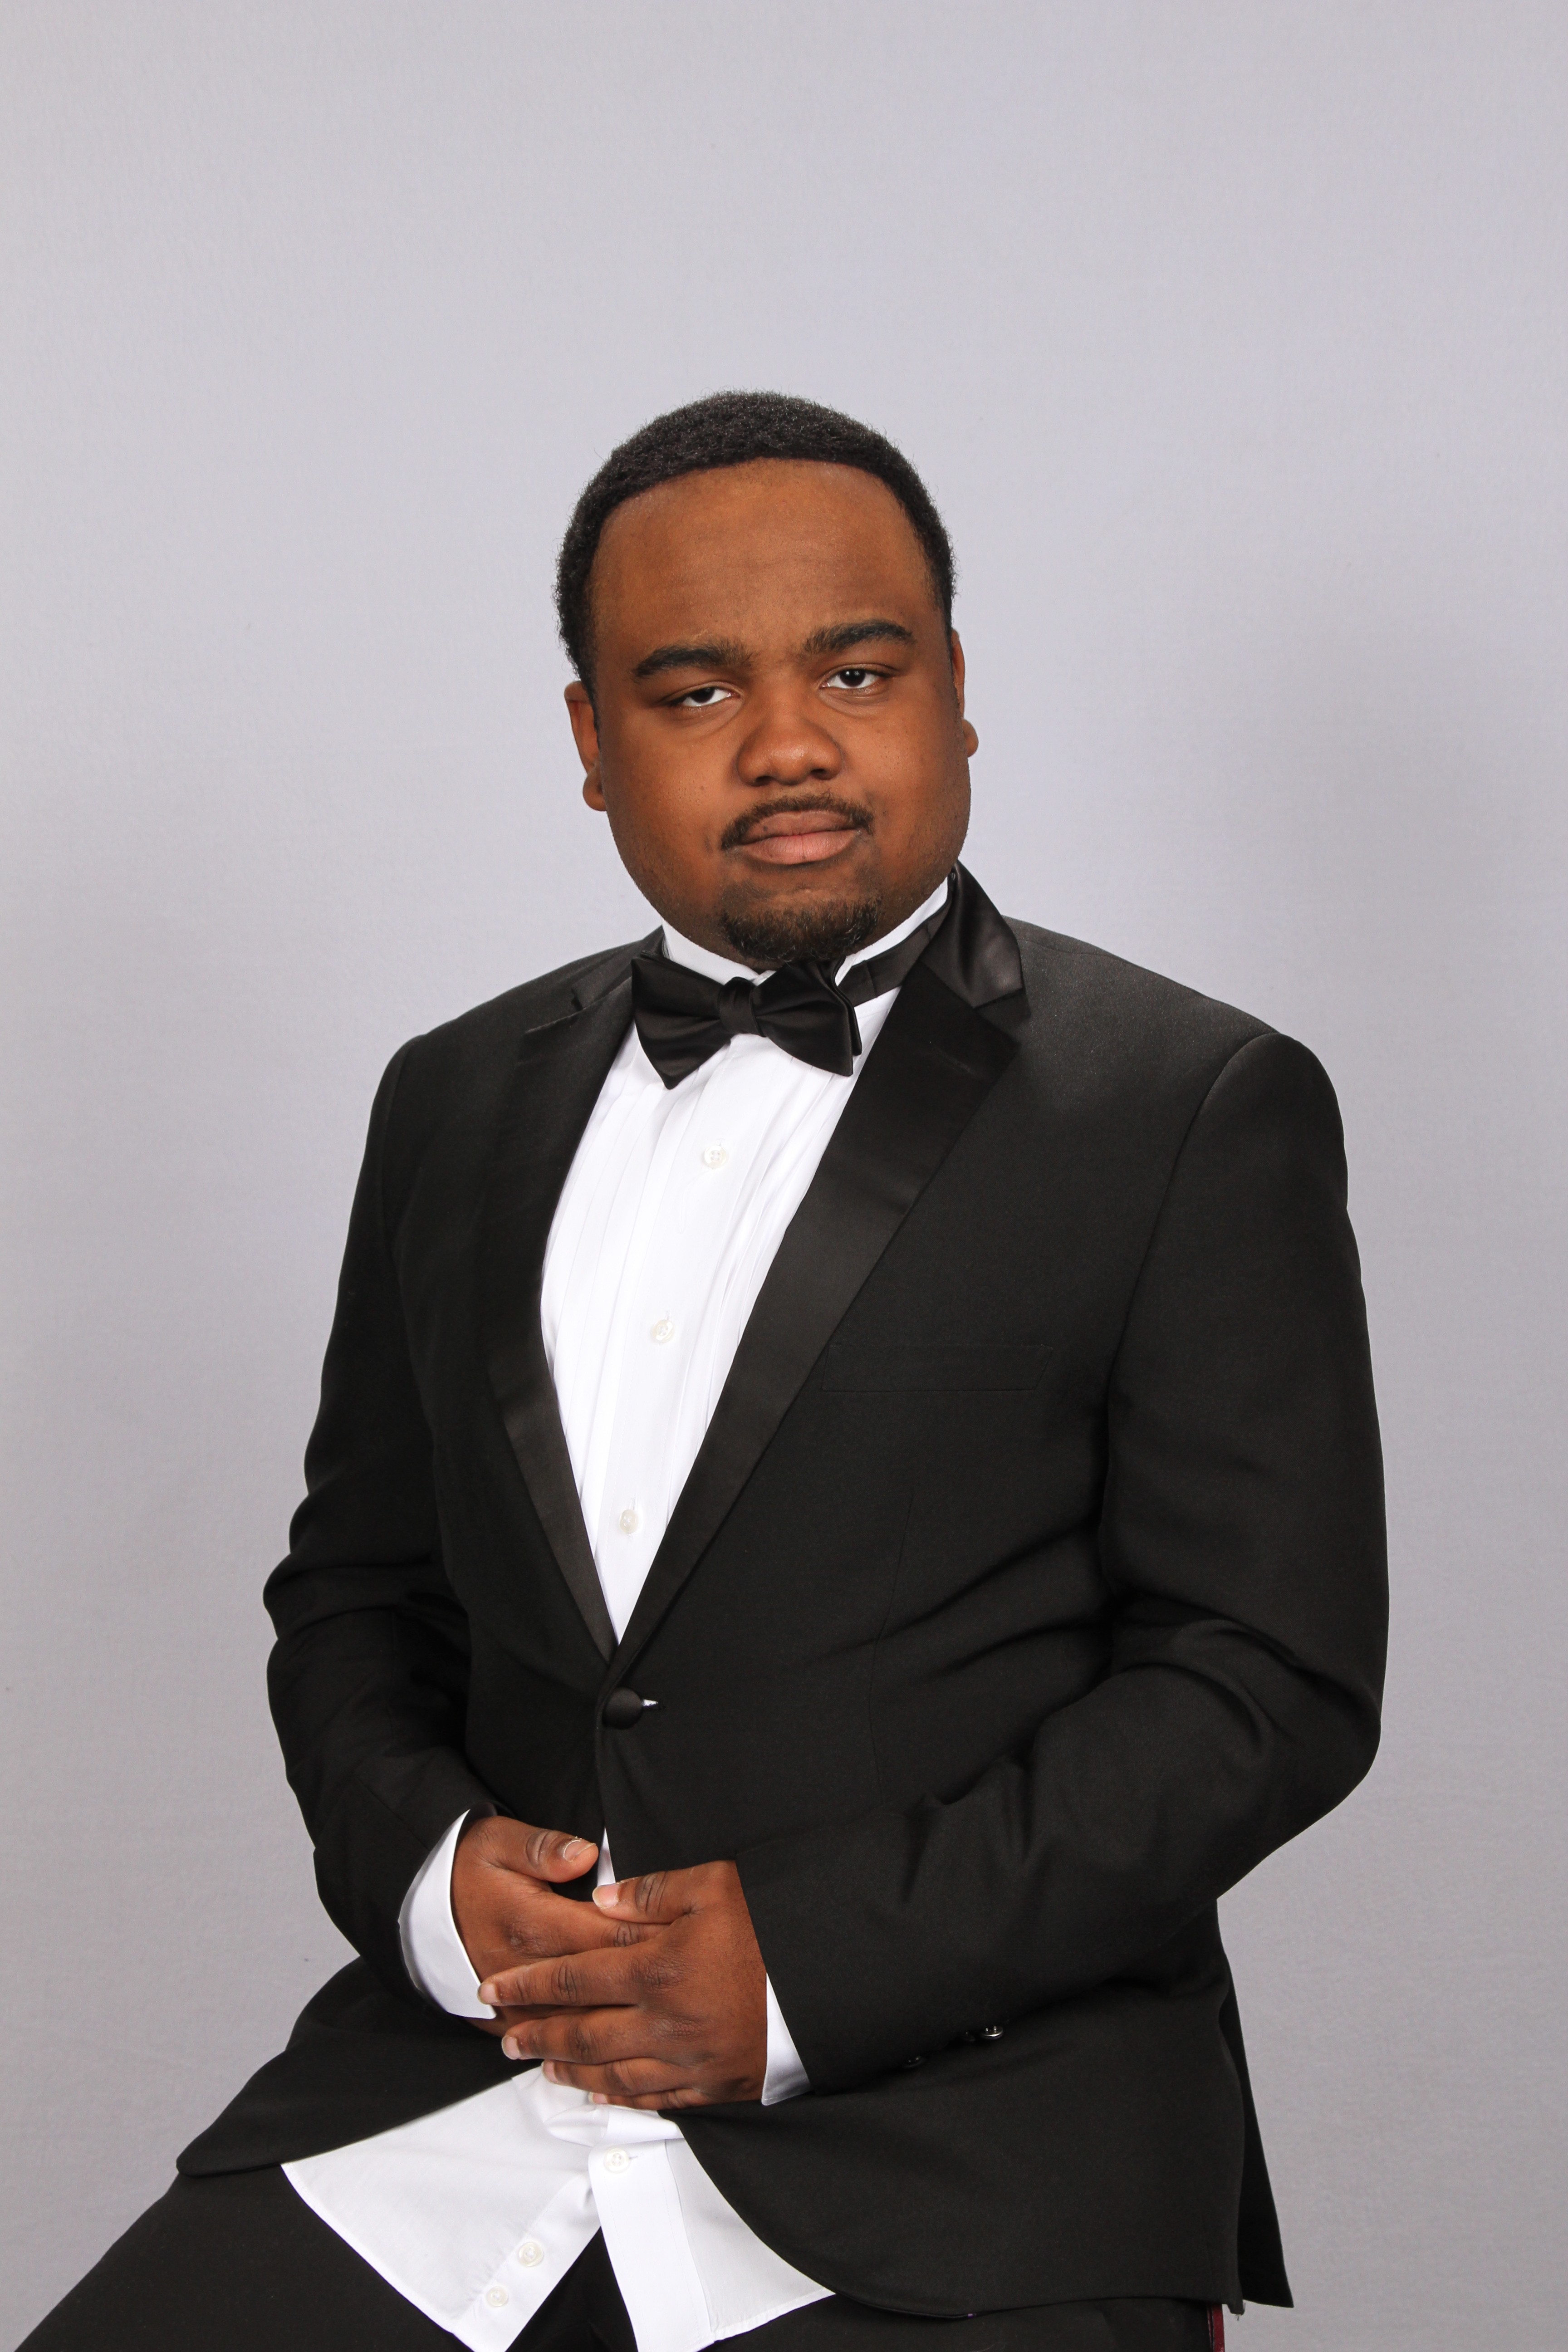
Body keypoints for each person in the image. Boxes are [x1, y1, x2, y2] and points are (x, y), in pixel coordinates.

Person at [23, 392, 1387, 2352]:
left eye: (859, 670)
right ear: (593, 743)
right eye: (695, 690)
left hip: (975, 2152)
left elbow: (1264, 1681)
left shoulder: (1190, 1105)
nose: (790, 743)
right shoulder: (453, 1101)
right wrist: (431, 1882)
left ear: (959, 693)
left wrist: (805, 1970)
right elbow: (358, 1596)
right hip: (464, 2105)